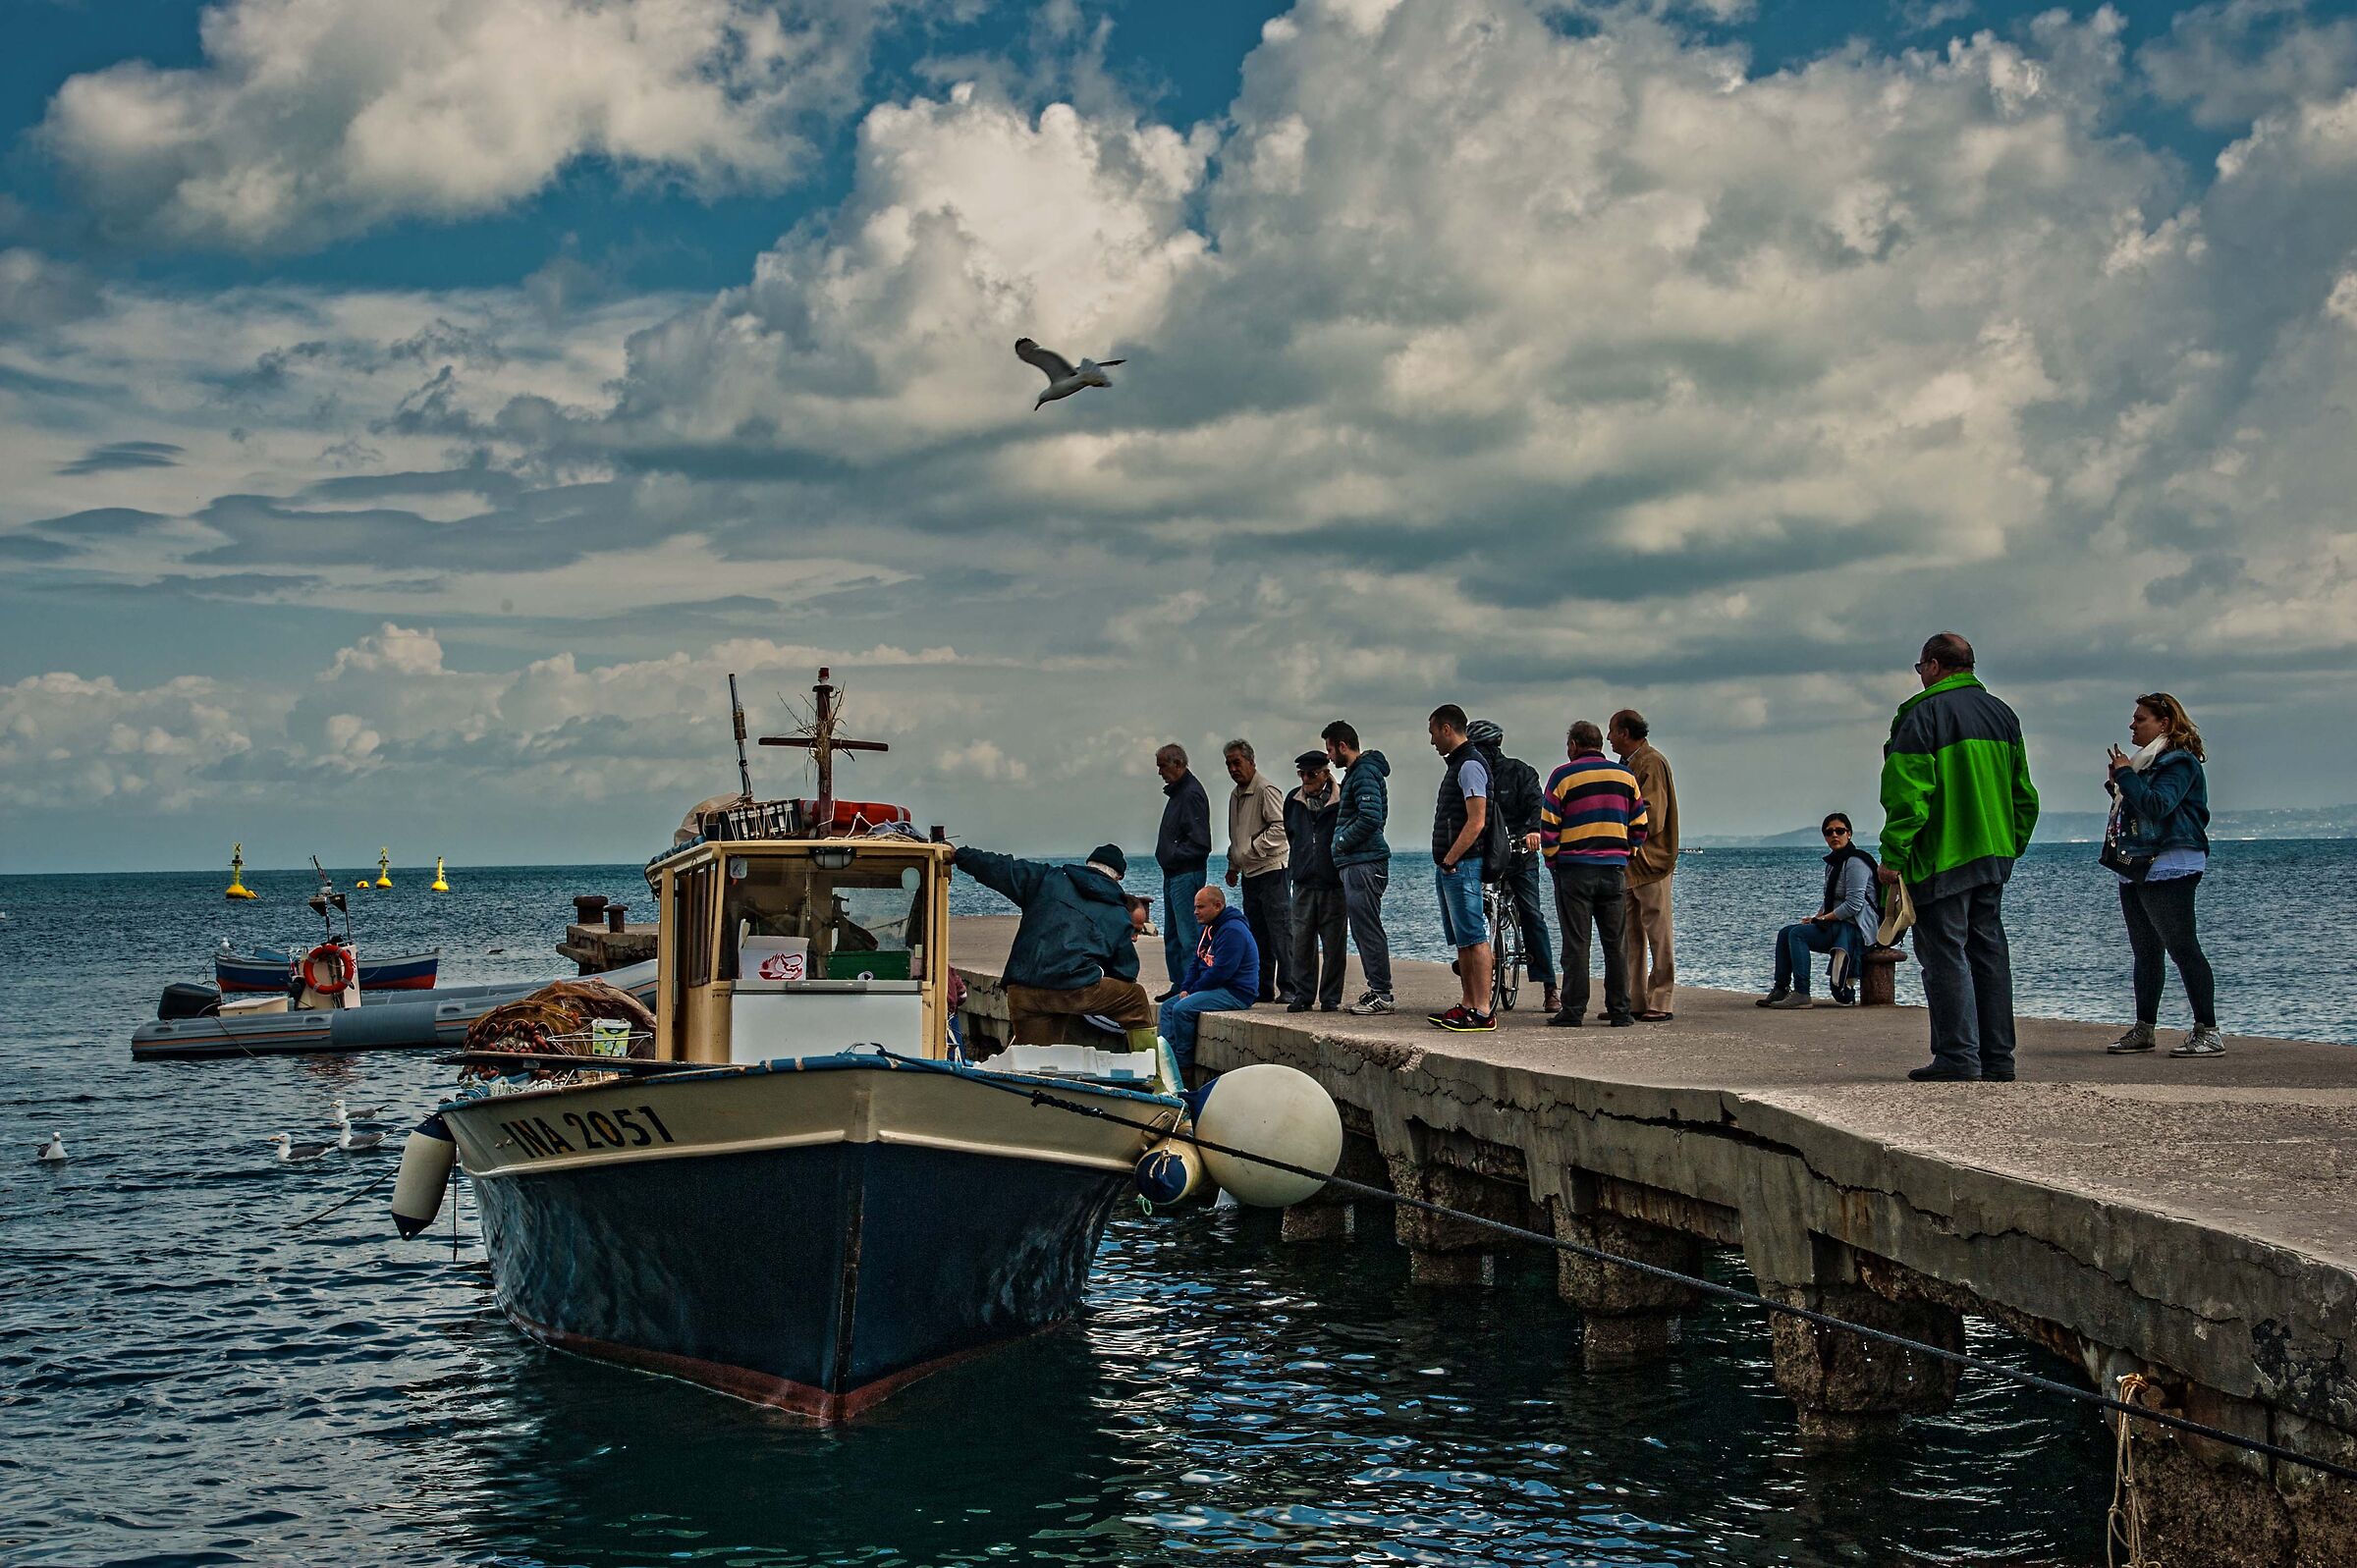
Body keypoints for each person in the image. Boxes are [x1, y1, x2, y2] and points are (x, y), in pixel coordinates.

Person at [1878, 632, 2039, 1083]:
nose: (1921, 676)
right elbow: (2024, 794)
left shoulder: (1922, 714)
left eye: (1920, 668)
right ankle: (1998, 1058)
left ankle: (1957, 1055)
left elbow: (1909, 794)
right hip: (1992, 855)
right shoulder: (2002, 714)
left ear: (1933, 665)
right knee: (1989, 952)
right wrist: (2010, 844)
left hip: (1942, 856)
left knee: (1945, 954)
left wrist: (1893, 855)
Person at [2103, 692, 2220, 1057]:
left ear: (2164, 723)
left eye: (2141, 719)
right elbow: (2140, 807)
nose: (2132, 725)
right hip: (2137, 864)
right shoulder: (2149, 762)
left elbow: (2158, 805)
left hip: (2171, 863)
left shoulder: (2179, 762)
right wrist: (2119, 782)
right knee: (2146, 952)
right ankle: (2144, 1028)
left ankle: (2208, 1031)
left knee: (2182, 947)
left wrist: (2126, 774)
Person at [952, 842, 1153, 1052]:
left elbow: (999, 867)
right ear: (1118, 877)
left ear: (1088, 864)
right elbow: (1126, 972)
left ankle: (1031, 1072)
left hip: (1022, 988)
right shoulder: (1117, 912)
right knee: (1135, 998)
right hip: (1072, 990)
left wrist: (960, 855)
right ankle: (1150, 1063)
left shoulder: (1046, 878)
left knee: (1034, 1059)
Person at [1535, 721, 1648, 1028]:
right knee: (1616, 944)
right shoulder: (1625, 776)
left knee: (1576, 944)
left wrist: (1552, 861)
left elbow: (1549, 826)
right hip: (1614, 870)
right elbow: (1640, 825)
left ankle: (1573, 1010)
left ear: (1574, 745)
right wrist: (1627, 853)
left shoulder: (1562, 776)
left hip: (1574, 870)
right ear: (1599, 744)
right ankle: (1620, 1011)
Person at [1467, 720, 1560, 1015]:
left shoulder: (1521, 772)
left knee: (1531, 914)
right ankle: (1473, 966)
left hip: (1520, 855)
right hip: (1486, 856)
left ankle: (1550, 987)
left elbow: (1537, 806)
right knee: (1471, 910)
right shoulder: (1470, 775)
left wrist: (1533, 831)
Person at [1428, 704, 1503, 1031]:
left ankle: (1483, 1010)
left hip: (1463, 865)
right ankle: (1468, 1003)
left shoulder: (1470, 765)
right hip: (1454, 866)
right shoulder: (1459, 764)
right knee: (1463, 940)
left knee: (1474, 937)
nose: (1432, 741)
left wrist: (1451, 859)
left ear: (1447, 729)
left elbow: (1476, 820)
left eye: (1433, 732)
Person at [1758, 814, 1878, 1007]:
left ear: (1849, 834)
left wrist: (1823, 919)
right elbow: (1830, 900)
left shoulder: (1856, 862)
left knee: (1798, 934)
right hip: (1839, 925)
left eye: (1840, 831)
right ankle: (1781, 988)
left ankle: (1802, 993)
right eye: (1829, 832)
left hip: (1856, 929)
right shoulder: (1833, 863)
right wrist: (1816, 918)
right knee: (1786, 932)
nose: (1834, 835)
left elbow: (1853, 905)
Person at [1611, 710, 1679, 1023]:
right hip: (1630, 863)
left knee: (1658, 933)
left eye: (1613, 731)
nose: (1609, 738)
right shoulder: (1628, 764)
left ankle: (1662, 998)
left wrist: (1615, 830)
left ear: (1625, 733)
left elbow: (1653, 816)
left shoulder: (1650, 762)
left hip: (1651, 862)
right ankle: (1634, 999)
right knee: (1630, 935)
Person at [1324, 720, 1396, 1016]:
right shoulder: (1358, 774)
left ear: (1343, 746)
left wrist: (1340, 842)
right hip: (1359, 862)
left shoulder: (1363, 772)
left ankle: (1382, 994)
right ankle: (1378, 989)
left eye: (1330, 749)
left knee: (1367, 928)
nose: (1329, 756)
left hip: (1363, 863)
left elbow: (1370, 817)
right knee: (1364, 928)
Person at [1223, 739, 1294, 1004]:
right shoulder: (1235, 795)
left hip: (1272, 870)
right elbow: (1237, 835)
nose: (1233, 769)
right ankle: (1264, 988)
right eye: (1229, 764)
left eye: (1237, 762)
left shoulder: (1266, 789)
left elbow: (1281, 827)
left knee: (1280, 931)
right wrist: (1234, 864)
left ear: (1251, 762)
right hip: (1250, 874)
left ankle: (1289, 986)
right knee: (1257, 934)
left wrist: (1253, 849)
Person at [1159, 884, 1260, 1072]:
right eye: (1195, 907)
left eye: (1200, 907)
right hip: (1214, 987)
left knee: (1182, 1009)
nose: (1195, 912)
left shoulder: (1233, 931)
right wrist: (1185, 988)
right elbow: (1196, 963)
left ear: (1218, 906)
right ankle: (1166, 1059)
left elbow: (1222, 972)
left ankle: (1182, 1066)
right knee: (1167, 1008)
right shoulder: (1207, 928)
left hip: (1235, 991)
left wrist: (1193, 991)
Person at [1284, 750, 1347, 1011]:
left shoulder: (1341, 798)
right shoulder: (1293, 800)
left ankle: (1330, 997)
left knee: (1334, 944)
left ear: (1325, 773)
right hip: (1303, 882)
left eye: (1311, 774)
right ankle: (1303, 995)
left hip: (1333, 882)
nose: (1306, 779)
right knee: (1301, 942)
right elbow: (1291, 835)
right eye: (1302, 774)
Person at [1154, 743, 1212, 1002]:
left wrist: (1173, 855)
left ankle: (1190, 986)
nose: (1160, 772)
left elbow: (1201, 843)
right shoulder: (1180, 793)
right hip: (1174, 874)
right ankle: (1179, 983)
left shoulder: (1190, 794)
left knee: (1188, 936)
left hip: (1186, 874)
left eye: (1162, 766)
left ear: (1178, 764)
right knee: (1173, 934)